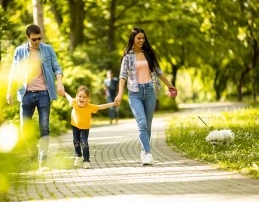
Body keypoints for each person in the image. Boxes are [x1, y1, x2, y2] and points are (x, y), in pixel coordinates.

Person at [6, 24, 65, 171]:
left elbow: (56, 67)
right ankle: (34, 153)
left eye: (39, 38)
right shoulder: (19, 51)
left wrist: (59, 83)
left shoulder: (47, 49)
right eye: (34, 39)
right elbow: (14, 72)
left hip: (44, 93)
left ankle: (42, 162)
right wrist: (9, 91)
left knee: (44, 128)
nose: (37, 42)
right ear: (28, 38)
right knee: (24, 128)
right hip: (26, 94)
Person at [114, 27, 177, 165]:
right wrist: (120, 93)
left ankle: (143, 151)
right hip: (134, 93)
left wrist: (169, 85)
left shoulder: (148, 53)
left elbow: (158, 71)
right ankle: (148, 153)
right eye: (139, 38)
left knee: (147, 126)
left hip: (149, 91)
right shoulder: (127, 56)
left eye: (143, 38)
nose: (141, 41)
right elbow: (123, 76)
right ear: (133, 39)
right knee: (141, 123)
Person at [64, 86, 116, 169]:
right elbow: (68, 97)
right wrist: (63, 91)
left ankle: (86, 161)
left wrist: (113, 104)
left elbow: (101, 106)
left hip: (85, 127)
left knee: (84, 142)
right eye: (80, 96)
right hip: (75, 126)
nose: (81, 98)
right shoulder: (74, 102)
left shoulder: (89, 106)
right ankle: (78, 156)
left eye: (84, 97)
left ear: (87, 99)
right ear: (76, 96)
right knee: (76, 141)